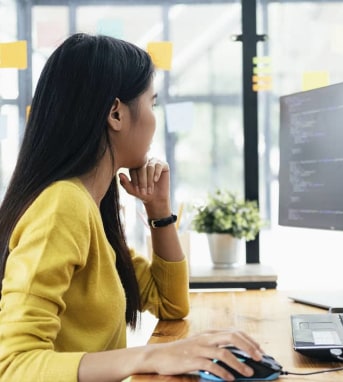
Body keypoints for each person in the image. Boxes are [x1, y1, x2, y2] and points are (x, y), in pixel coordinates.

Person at [0, 33, 263, 382]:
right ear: (116, 113)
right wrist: (149, 355)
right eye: (152, 104)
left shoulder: (90, 206)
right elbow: (15, 366)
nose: (154, 120)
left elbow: (171, 304)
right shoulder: (62, 206)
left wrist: (159, 210)